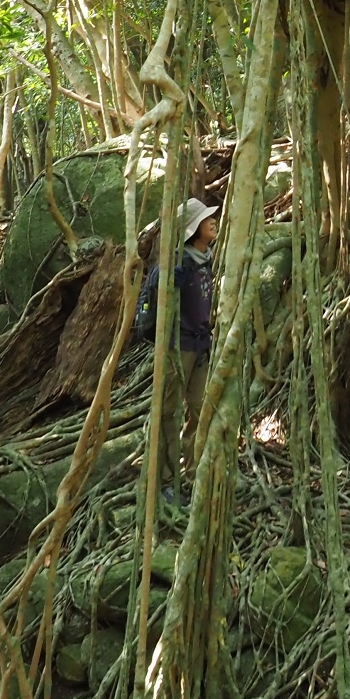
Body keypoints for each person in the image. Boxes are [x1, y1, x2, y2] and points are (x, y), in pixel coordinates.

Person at [148, 197, 218, 508]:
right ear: (192, 229)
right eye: (205, 219)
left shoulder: (207, 257)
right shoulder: (180, 261)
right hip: (178, 346)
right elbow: (155, 285)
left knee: (199, 409)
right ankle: (166, 481)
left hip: (201, 345)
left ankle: (193, 475)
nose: (213, 221)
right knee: (169, 412)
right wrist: (163, 280)